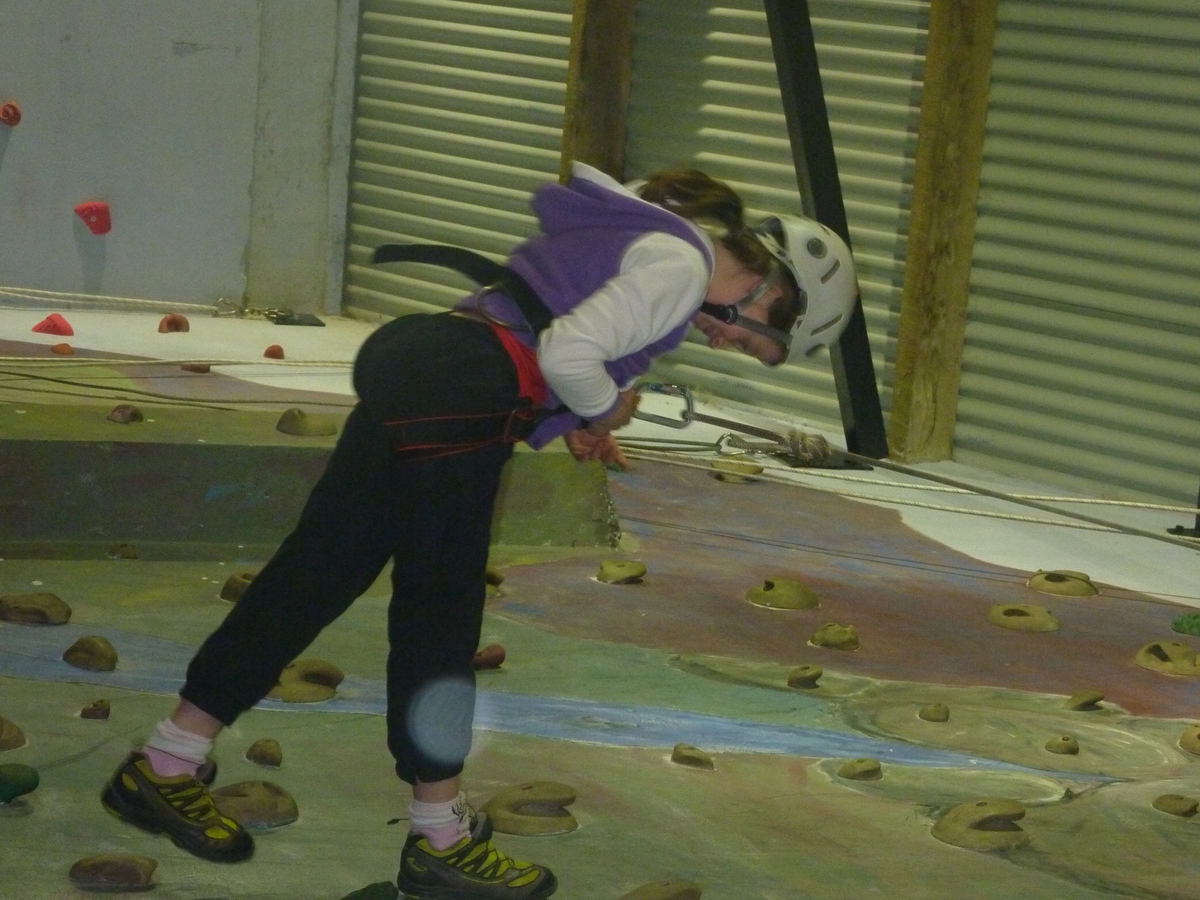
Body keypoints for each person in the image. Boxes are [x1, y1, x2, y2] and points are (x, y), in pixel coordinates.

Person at [99, 162, 858, 900]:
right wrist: (599, 409)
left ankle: (166, 762)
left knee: (317, 572)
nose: (730, 347)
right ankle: (440, 839)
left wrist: (581, 418)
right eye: (758, 341)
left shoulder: (657, 240)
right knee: (439, 615)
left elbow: (550, 323)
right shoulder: (681, 268)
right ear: (773, 290)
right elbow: (566, 353)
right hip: (463, 392)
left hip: (426, 365)